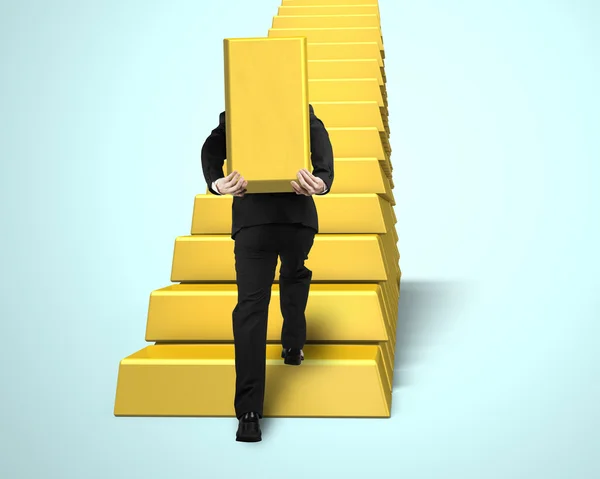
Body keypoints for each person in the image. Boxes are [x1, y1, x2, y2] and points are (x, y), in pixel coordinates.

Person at [200, 104, 334, 442]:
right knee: (294, 273)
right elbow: (321, 141)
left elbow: (211, 148)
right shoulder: (300, 105)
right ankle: (293, 346)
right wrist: (322, 179)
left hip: (254, 221)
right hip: (296, 218)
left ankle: (248, 414)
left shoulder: (238, 108)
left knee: (251, 308)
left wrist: (217, 183)